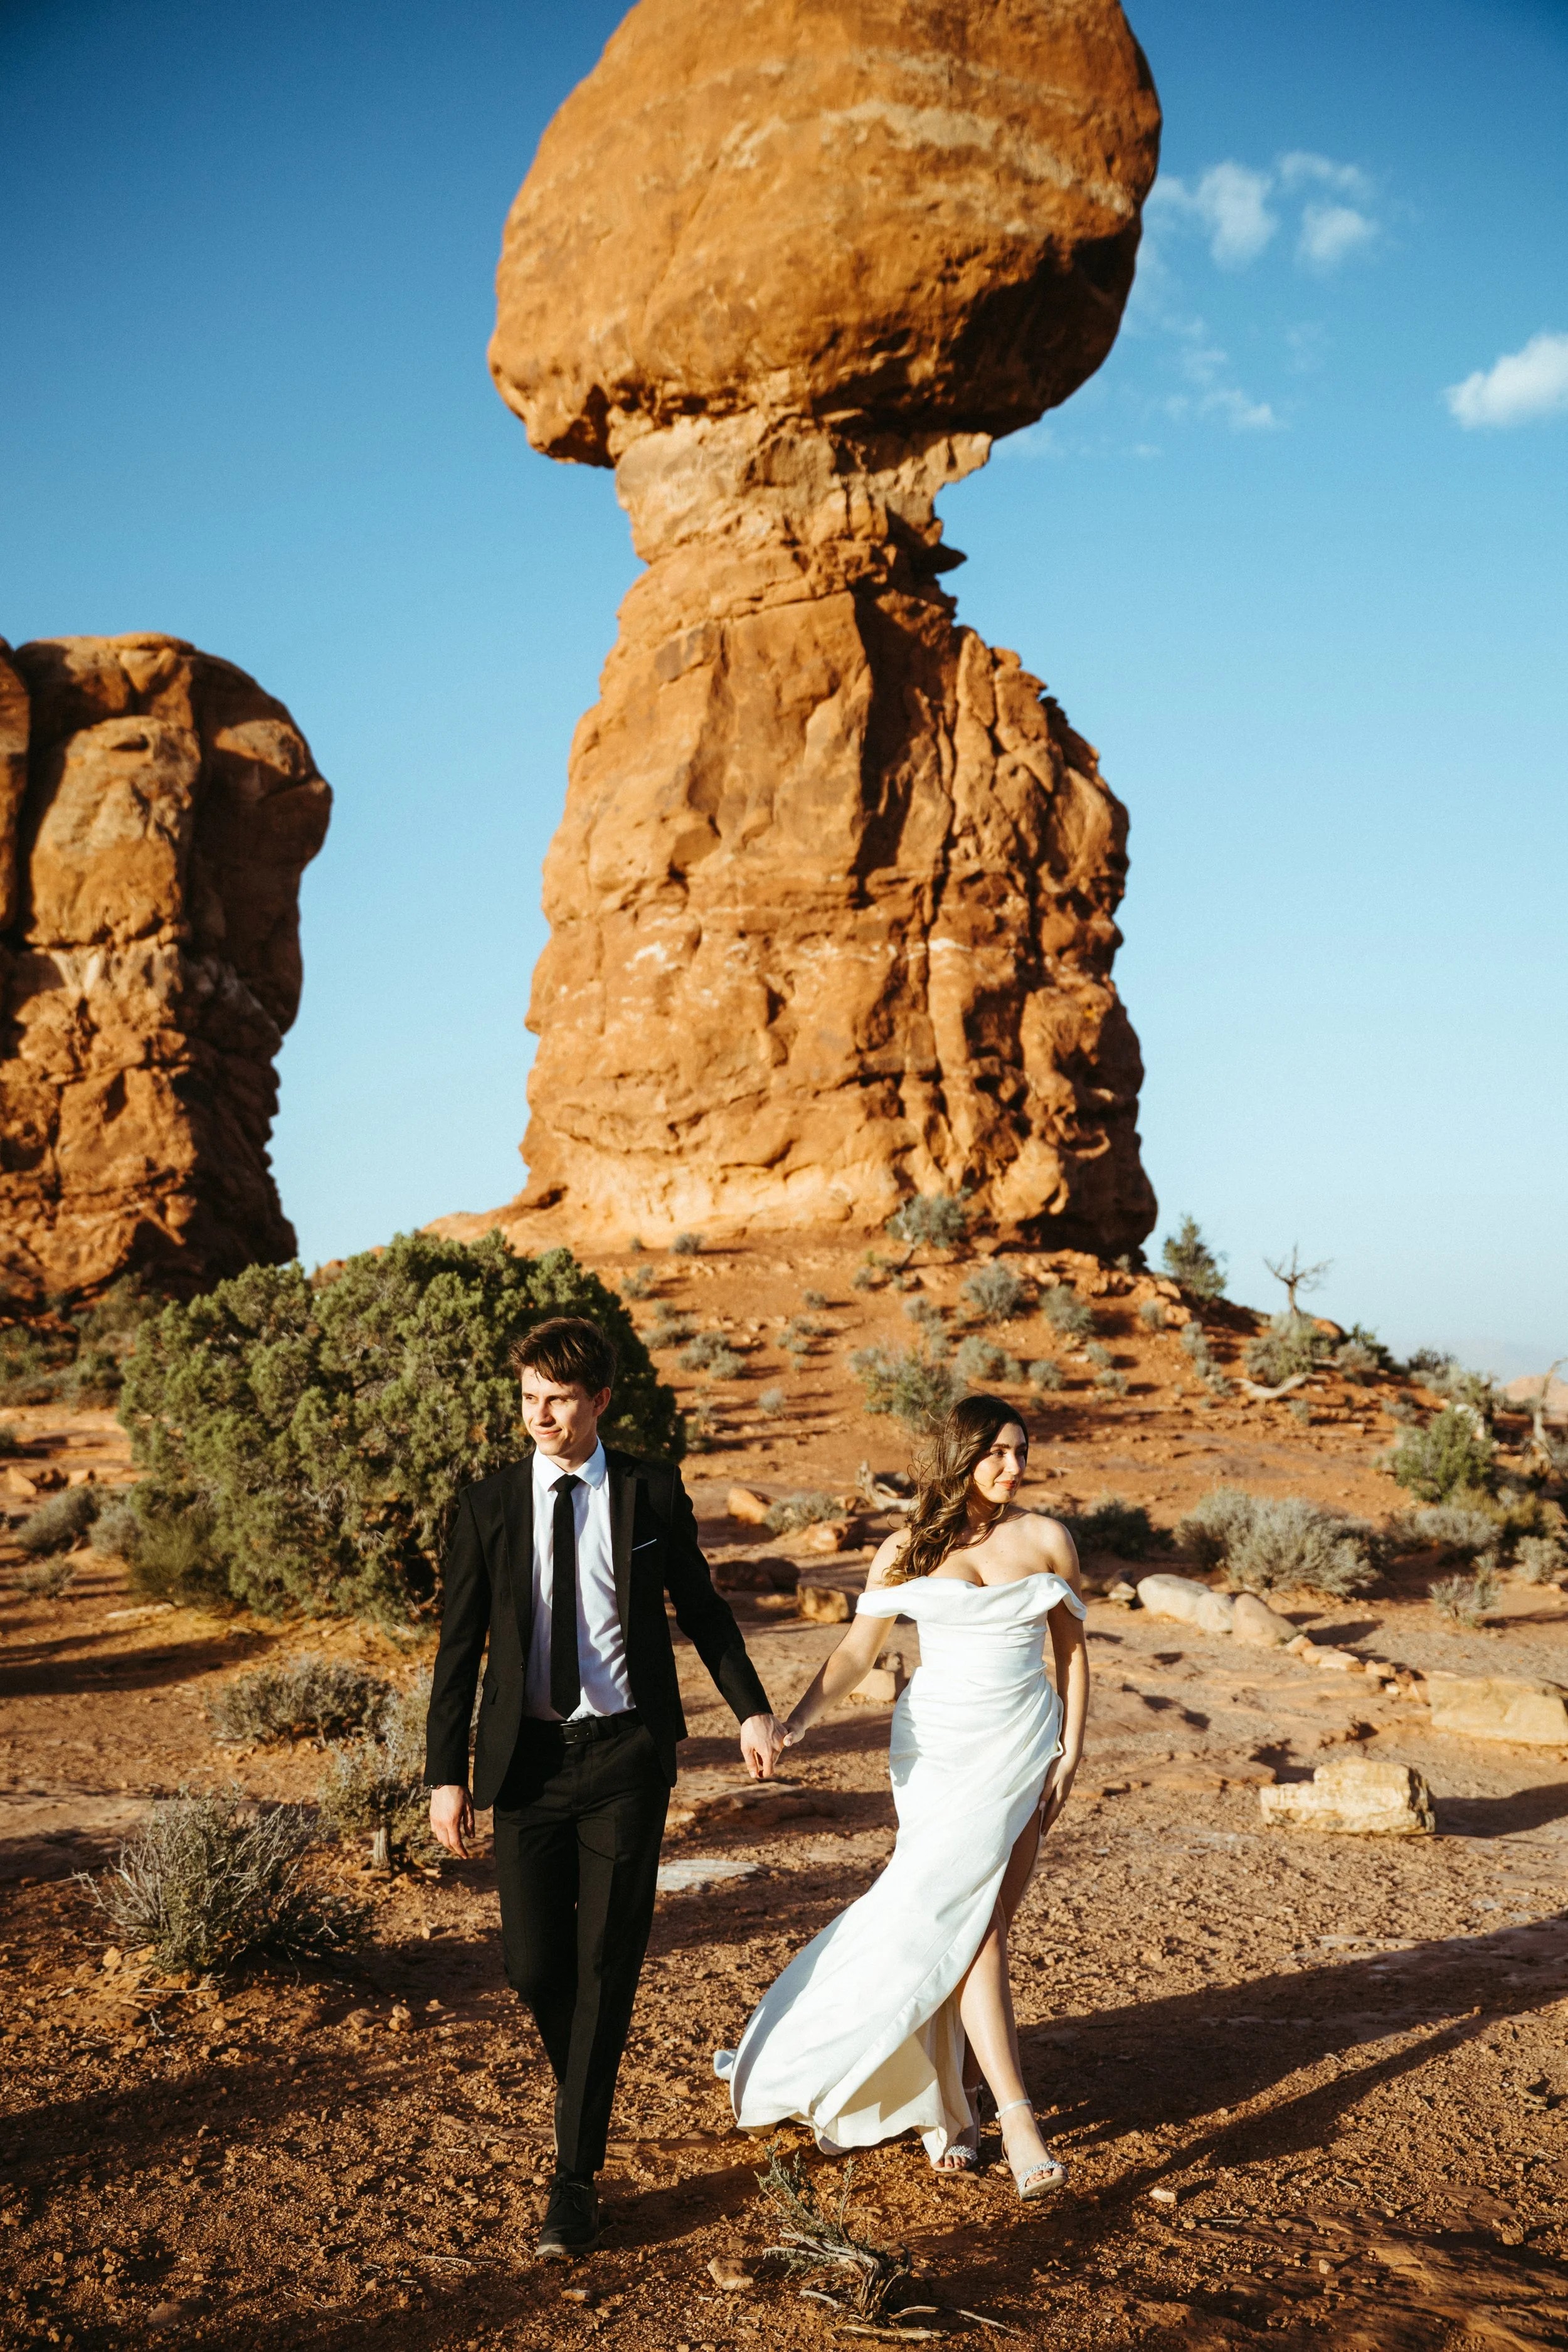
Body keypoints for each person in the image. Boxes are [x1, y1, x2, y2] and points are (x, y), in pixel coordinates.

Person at [424, 1314, 792, 2260]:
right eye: (527, 1400)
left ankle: (573, 2178)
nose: (539, 1417)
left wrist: (749, 1708)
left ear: (599, 1400)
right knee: (534, 1966)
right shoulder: (487, 1504)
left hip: (627, 1756)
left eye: (557, 1399)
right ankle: (585, 2078)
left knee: (604, 1964)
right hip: (530, 1764)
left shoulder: (648, 1491)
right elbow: (458, 1650)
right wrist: (445, 1774)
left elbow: (702, 1609)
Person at [716, 1394, 1088, 2199]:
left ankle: (951, 2103)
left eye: (1021, 1452)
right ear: (960, 1454)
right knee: (970, 1926)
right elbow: (857, 1651)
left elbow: (1073, 1653)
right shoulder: (906, 1548)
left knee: (978, 1927)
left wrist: (1072, 1752)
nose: (1013, 1467)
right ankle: (1008, 2123)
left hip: (1023, 1744)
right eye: (996, 1452)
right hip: (938, 1752)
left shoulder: (1048, 1538)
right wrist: (798, 1721)